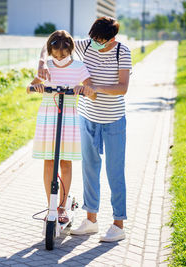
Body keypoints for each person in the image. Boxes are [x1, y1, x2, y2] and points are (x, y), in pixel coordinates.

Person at [38, 17, 132, 242]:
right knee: (90, 170)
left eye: (101, 40)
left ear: (112, 38)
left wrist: (94, 87)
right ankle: (91, 220)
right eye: (94, 39)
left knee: (114, 171)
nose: (96, 43)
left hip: (113, 119)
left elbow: (123, 87)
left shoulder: (122, 52)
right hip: (88, 118)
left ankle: (118, 224)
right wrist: (42, 63)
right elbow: (49, 45)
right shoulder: (87, 45)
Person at [27, 30, 95, 224]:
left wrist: (85, 89)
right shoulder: (46, 66)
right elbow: (29, 87)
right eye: (55, 54)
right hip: (47, 117)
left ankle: (62, 206)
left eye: (63, 55)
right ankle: (51, 206)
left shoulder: (79, 67)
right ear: (50, 51)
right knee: (49, 161)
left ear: (70, 50)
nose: (59, 58)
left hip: (69, 117)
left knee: (65, 162)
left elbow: (92, 91)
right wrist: (37, 86)